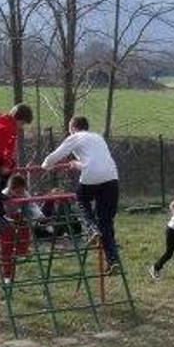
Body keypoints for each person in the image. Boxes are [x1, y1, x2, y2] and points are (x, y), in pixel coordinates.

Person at [41, 116, 121, 273]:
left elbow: (56, 155)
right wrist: (76, 164)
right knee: (106, 221)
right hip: (112, 177)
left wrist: (45, 166)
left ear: (73, 127)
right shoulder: (98, 137)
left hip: (92, 176)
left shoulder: (76, 136)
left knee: (81, 199)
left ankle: (92, 228)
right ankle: (113, 260)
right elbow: (95, 162)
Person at [0, 174, 48, 285]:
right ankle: (7, 275)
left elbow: (32, 206)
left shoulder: (24, 194)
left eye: (22, 190)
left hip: (19, 218)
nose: (21, 193)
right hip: (5, 222)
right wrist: (8, 220)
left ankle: (23, 250)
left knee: (25, 230)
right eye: (18, 191)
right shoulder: (3, 195)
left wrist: (40, 216)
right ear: (12, 189)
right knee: (6, 248)